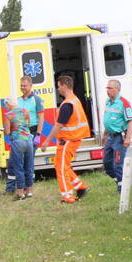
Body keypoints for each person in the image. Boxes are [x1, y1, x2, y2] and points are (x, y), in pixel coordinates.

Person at [38, 75, 90, 203]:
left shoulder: (67, 105)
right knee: (61, 165)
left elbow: (58, 126)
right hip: (72, 139)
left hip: (68, 140)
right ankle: (80, 187)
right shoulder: (74, 100)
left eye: (59, 85)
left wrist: (46, 141)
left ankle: (68, 196)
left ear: (64, 86)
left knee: (61, 168)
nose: (58, 88)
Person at [7, 75, 45, 194]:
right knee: (15, 162)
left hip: (32, 132)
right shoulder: (18, 100)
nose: (23, 87)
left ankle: (28, 188)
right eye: (21, 85)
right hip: (19, 133)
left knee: (28, 162)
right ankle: (12, 188)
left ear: (31, 85)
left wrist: (38, 134)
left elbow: (41, 118)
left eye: (25, 85)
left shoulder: (37, 100)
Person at [102, 79, 132, 194]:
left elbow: (131, 121)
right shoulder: (108, 101)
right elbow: (108, 120)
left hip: (119, 138)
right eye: (107, 88)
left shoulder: (124, 103)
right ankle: (119, 181)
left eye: (110, 88)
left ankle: (122, 189)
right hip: (110, 137)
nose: (107, 90)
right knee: (107, 164)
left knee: (118, 164)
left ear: (117, 90)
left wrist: (128, 138)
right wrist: (105, 134)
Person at [3, 96, 35, 200]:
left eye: (5, 105)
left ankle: (20, 193)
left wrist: (4, 130)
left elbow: (7, 132)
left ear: (8, 104)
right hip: (29, 141)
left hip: (18, 142)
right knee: (29, 167)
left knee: (18, 168)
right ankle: (29, 191)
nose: (6, 107)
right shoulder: (25, 111)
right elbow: (28, 124)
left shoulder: (8, 115)